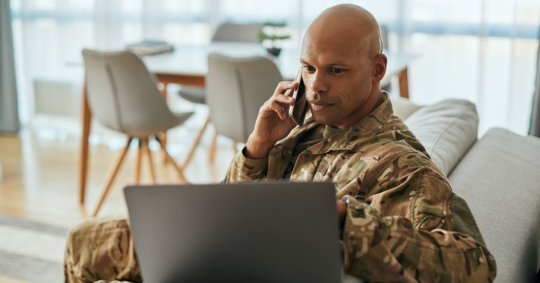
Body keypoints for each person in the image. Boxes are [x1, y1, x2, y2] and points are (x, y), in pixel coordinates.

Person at [64, 4, 497, 283]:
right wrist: (257, 150)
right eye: (308, 68)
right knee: (83, 239)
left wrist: (344, 219)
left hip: (258, 266)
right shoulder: (303, 127)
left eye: (336, 71)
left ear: (376, 68)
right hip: (231, 245)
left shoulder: (401, 163)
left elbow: (474, 266)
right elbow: (231, 204)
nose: (317, 86)